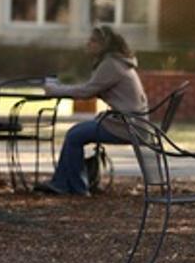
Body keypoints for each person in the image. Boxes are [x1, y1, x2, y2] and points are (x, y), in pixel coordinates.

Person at [34, 26, 148, 196]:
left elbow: (87, 92)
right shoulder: (118, 62)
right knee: (77, 133)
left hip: (126, 126)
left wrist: (55, 90)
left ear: (104, 45)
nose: (88, 43)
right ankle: (63, 183)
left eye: (93, 41)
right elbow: (92, 88)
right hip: (130, 123)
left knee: (75, 135)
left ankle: (76, 187)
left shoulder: (111, 64)